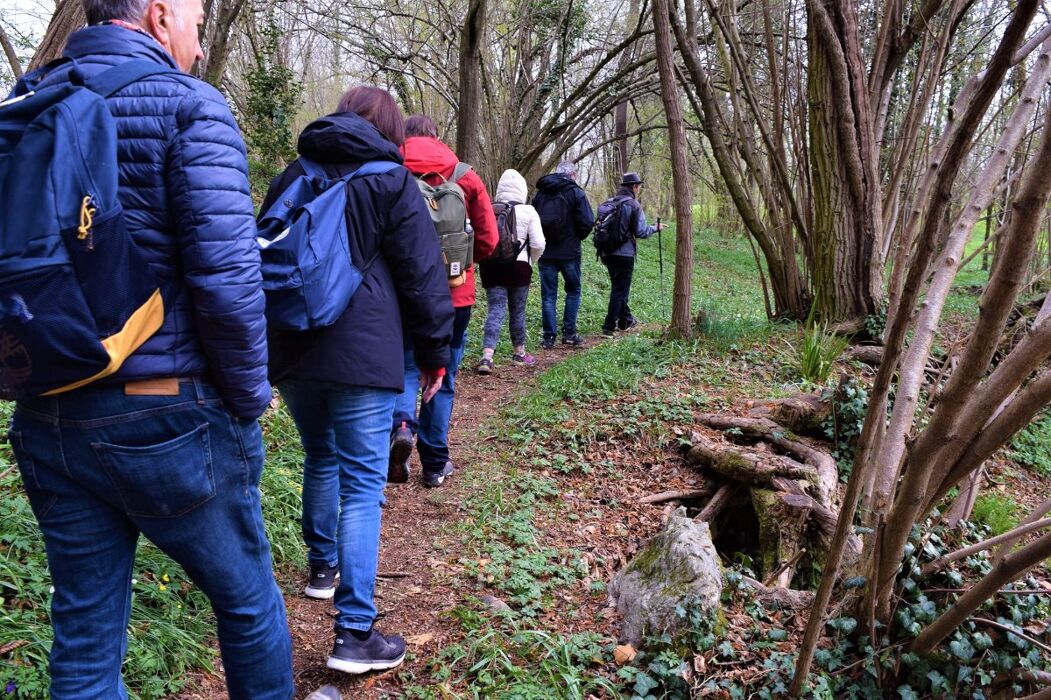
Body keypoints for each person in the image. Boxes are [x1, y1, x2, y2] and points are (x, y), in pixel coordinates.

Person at [5, 0, 294, 697]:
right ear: (160, 15)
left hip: (45, 410)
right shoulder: (189, 105)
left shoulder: (26, 103)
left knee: (83, 628)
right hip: (166, 410)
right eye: (196, 15)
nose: (197, 36)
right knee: (248, 603)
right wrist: (250, 398)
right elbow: (228, 281)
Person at [263, 88, 453, 673]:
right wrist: (434, 352)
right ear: (389, 129)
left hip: (293, 348)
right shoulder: (391, 181)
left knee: (319, 457)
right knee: (364, 485)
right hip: (363, 354)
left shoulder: (294, 172)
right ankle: (354, 633)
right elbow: (422, 276)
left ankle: (322, 569)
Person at [389, 115, 497, 488]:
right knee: (444, 375)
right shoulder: (464, 175)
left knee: (403, 364)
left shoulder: (389, 170)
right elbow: (488, 240)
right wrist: (460, 265)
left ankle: (401, 426)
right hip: (455, 294)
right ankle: (434, 464)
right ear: (437, 136)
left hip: (399, 293)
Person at [475, 169, 547, 374]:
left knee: (495, 310)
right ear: (522, 189)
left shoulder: (488, 209)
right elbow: (539, 243)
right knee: (518, 311)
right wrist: (530, 260)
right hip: (519, 268)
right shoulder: (529, 211)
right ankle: (519, 353)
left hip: (491, 268)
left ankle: (487, 356)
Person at [531, 160, 595, 349]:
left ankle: (549, 338)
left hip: (546, 253)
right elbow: (588, 221)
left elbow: (534, 221)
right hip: (570, 253)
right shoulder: (576, 192)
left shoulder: (541, 193)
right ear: (573, 175)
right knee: (573, 291)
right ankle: (569, 334)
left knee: (548, 295)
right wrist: (577, 237)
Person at [599, 172, 664, 337]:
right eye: (639, 186)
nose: (640, 189)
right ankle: (608, 326)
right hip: (624, 254)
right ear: (634, 187)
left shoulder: (608, 203)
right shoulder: (633, 205)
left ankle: (625, 320)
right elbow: (640, 231)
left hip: (606, 252)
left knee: (618, 287)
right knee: (620, 290)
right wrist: (655, 228)